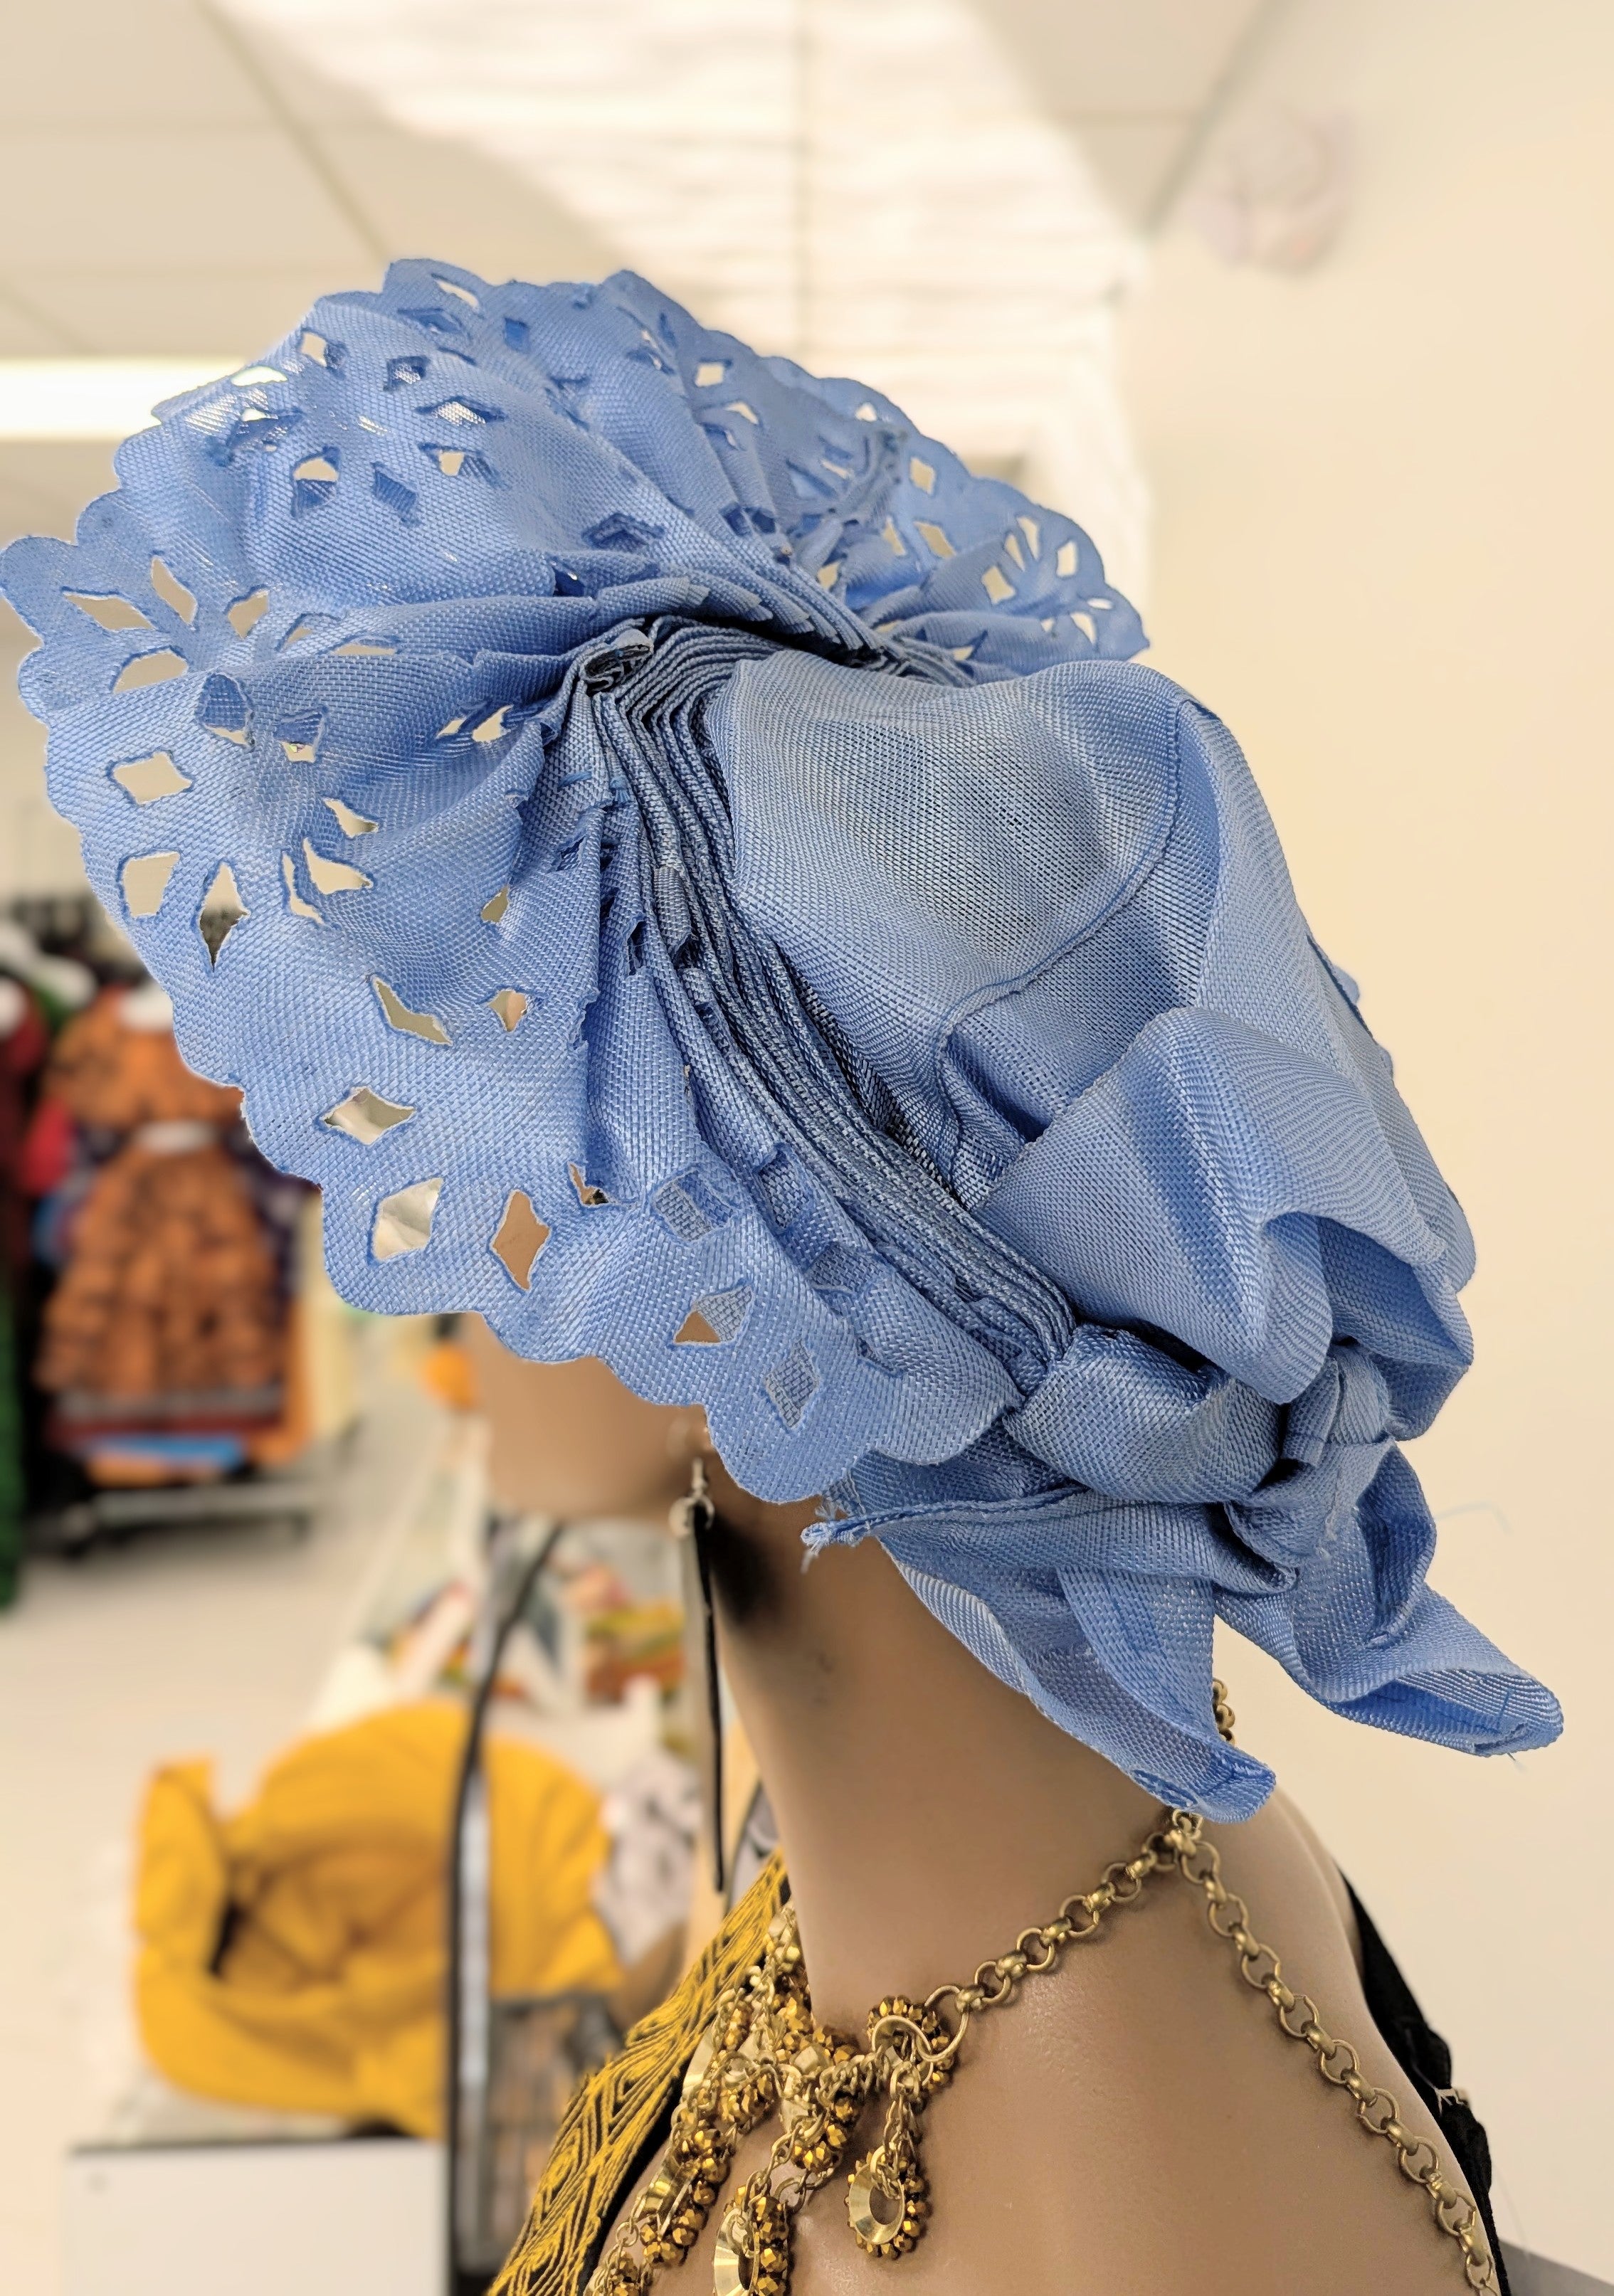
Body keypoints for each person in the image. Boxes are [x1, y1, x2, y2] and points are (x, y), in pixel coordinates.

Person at [0, 260, 1558, 2296]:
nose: (439, 1280)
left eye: (513, 1155)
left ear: (787, 1295)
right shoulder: (903, 1887)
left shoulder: (1112, 2200)